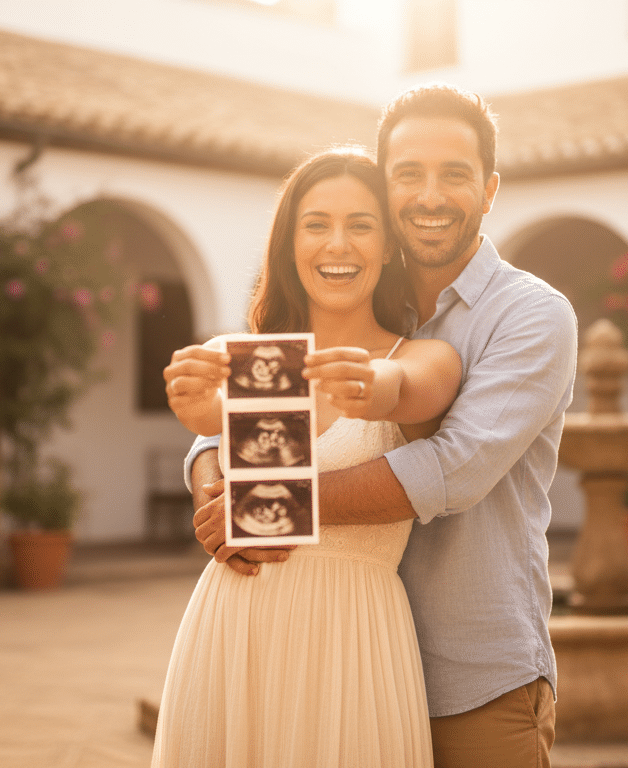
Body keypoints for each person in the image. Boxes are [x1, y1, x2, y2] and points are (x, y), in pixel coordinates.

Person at [185, 84, 578, 767]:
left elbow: (453, 468)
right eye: (408, 174)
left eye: (454, 175)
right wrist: (213, 494)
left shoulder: (530, 315)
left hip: (472, 673)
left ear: (488, 190)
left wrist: (267, 506)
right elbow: (226, 425)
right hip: (320, 656)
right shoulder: (351, 301)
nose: (430, 196)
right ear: (385, 190)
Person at [153, 147, 462, 767]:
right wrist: (200, 415)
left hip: (354, 636)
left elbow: (408, 389)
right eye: (316, 224)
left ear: (388, 246)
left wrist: (373, 386)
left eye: (361, 225)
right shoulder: (247, 358)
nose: (337, 245)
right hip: (236, 623)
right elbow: (214, 433)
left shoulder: (423, 356)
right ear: (290, 245)